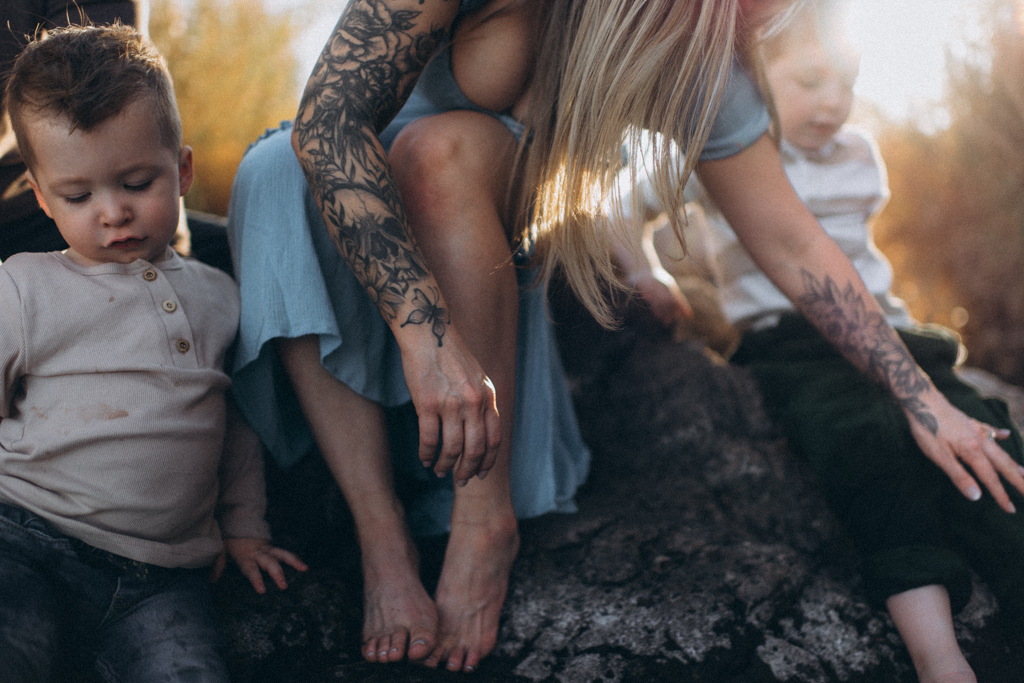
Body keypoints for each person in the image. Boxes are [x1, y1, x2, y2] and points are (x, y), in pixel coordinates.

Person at [228, 0, 1022, 674]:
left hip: (486, 301)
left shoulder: (697, 43)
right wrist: (424, 334)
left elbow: (789, 241)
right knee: (272, 171)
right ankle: (382, 539)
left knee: (434, 152)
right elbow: (330, 117)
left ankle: (484, 520)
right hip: (373, 287)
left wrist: (918, 396)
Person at [619, 4, 1024, 682]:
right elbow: (612, 206)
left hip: (890, 335)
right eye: (810, 80)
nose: (833, 101)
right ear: (753, 78)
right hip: (792, 345)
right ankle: (938, 652)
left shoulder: (861, 154)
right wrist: (646, 269)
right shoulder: (718, 151)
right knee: (867, 442)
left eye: (848, 81)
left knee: (987, 436)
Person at [0, 24, 306, 682]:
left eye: (137, 182)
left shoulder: (220, 296)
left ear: (183, 170)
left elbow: (235, 425)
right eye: (79, 197)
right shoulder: (24, 285)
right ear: (42, 197)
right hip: (26, 540)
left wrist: (244, 526)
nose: (112, 212)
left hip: (161, 582)